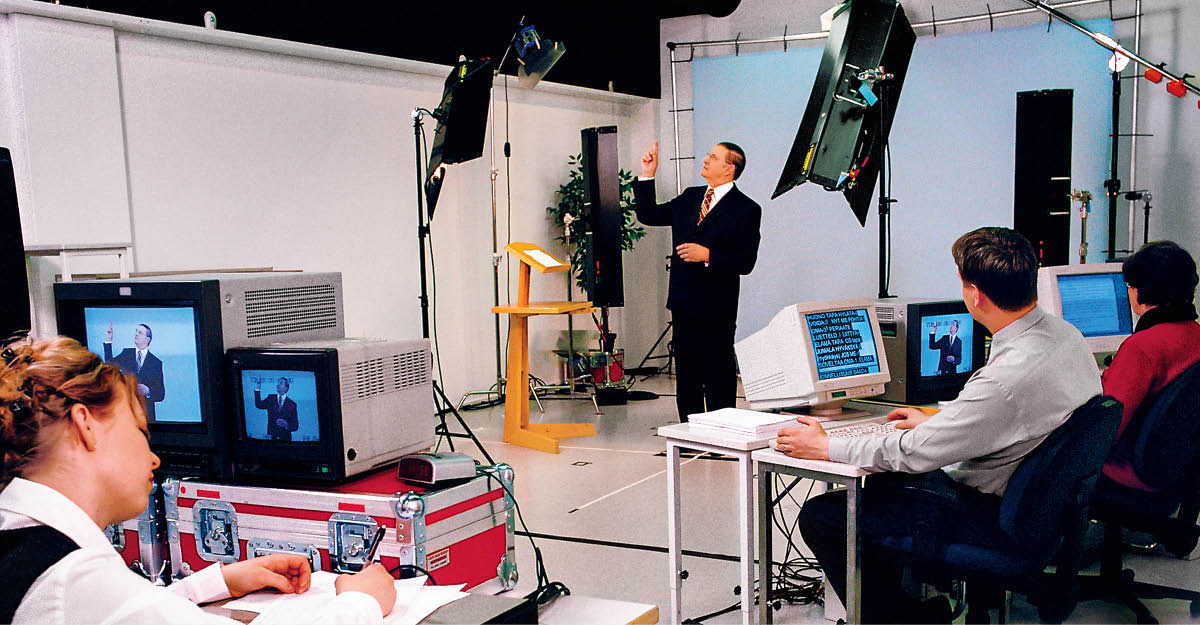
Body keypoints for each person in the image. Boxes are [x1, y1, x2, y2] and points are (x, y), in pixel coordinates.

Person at [775, 227, 1101, 623]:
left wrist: (826, 447)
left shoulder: (1005, 379)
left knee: (824, 516)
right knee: (882, 486)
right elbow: (1019, 417)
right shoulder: (1065, 336)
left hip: (991, 516)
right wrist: (940, 420)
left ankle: (900, 619)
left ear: (975, 295)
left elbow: (912, 453)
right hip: (1036, 511)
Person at [0, 335, 396, 624]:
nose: (153, 457)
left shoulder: (23, 539)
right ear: (85, 425)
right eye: (141, 431)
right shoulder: (76, 578)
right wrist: (361, 603)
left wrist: (213, 584)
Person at [634, 140, 762, 422]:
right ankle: (691, 432)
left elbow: (745, 261)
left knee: (718, 370)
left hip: (717, 305)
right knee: (688, 373)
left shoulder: (747, 209)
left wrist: (708, 254)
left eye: (713, 157)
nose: (706, 159)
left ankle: (722, 431)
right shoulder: (690, 197)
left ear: (729, 169)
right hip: (683, 300)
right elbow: (649, 214)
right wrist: (647, 174)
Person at [1100, 240, 1200, 492]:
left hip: (1132, 471)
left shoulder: (1142, 347)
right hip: (1181, 467)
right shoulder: (1195, 335)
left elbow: (1106, 431)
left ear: (1137, 291)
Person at [103, 322, 165, 422]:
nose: (136, 334)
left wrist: (148, 391)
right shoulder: (126, 353)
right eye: (136, 331)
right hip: (126, 414)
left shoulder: (156, 363)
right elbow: (109, 365)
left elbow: (161, 394)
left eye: (140, 332)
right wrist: (108, 340)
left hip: (147, 417)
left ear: (147, 339)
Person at [255, 377, 299, 441]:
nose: (277, 385)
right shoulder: (270, 398)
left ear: (286, 388)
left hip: (285, 439)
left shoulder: (292, 404)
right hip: (272, 437)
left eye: (281, 383)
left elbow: (295, 426)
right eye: (278, 383)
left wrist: (286, 425)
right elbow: (258, 405)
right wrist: (257, 388)